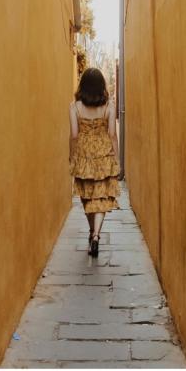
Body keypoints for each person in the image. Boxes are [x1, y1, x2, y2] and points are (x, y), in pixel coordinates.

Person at [69, 67, 121, 257]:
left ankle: (91, 232)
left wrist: (71, 156)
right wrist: (116, 158)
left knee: (87, 196)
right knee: (100, 198)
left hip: (84, 156)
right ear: (101, 86)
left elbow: (74, 136)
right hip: (103, 156)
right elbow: (113, 136)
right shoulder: (109, 106)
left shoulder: (74, 107)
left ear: (83, 86)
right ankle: (97, 236)